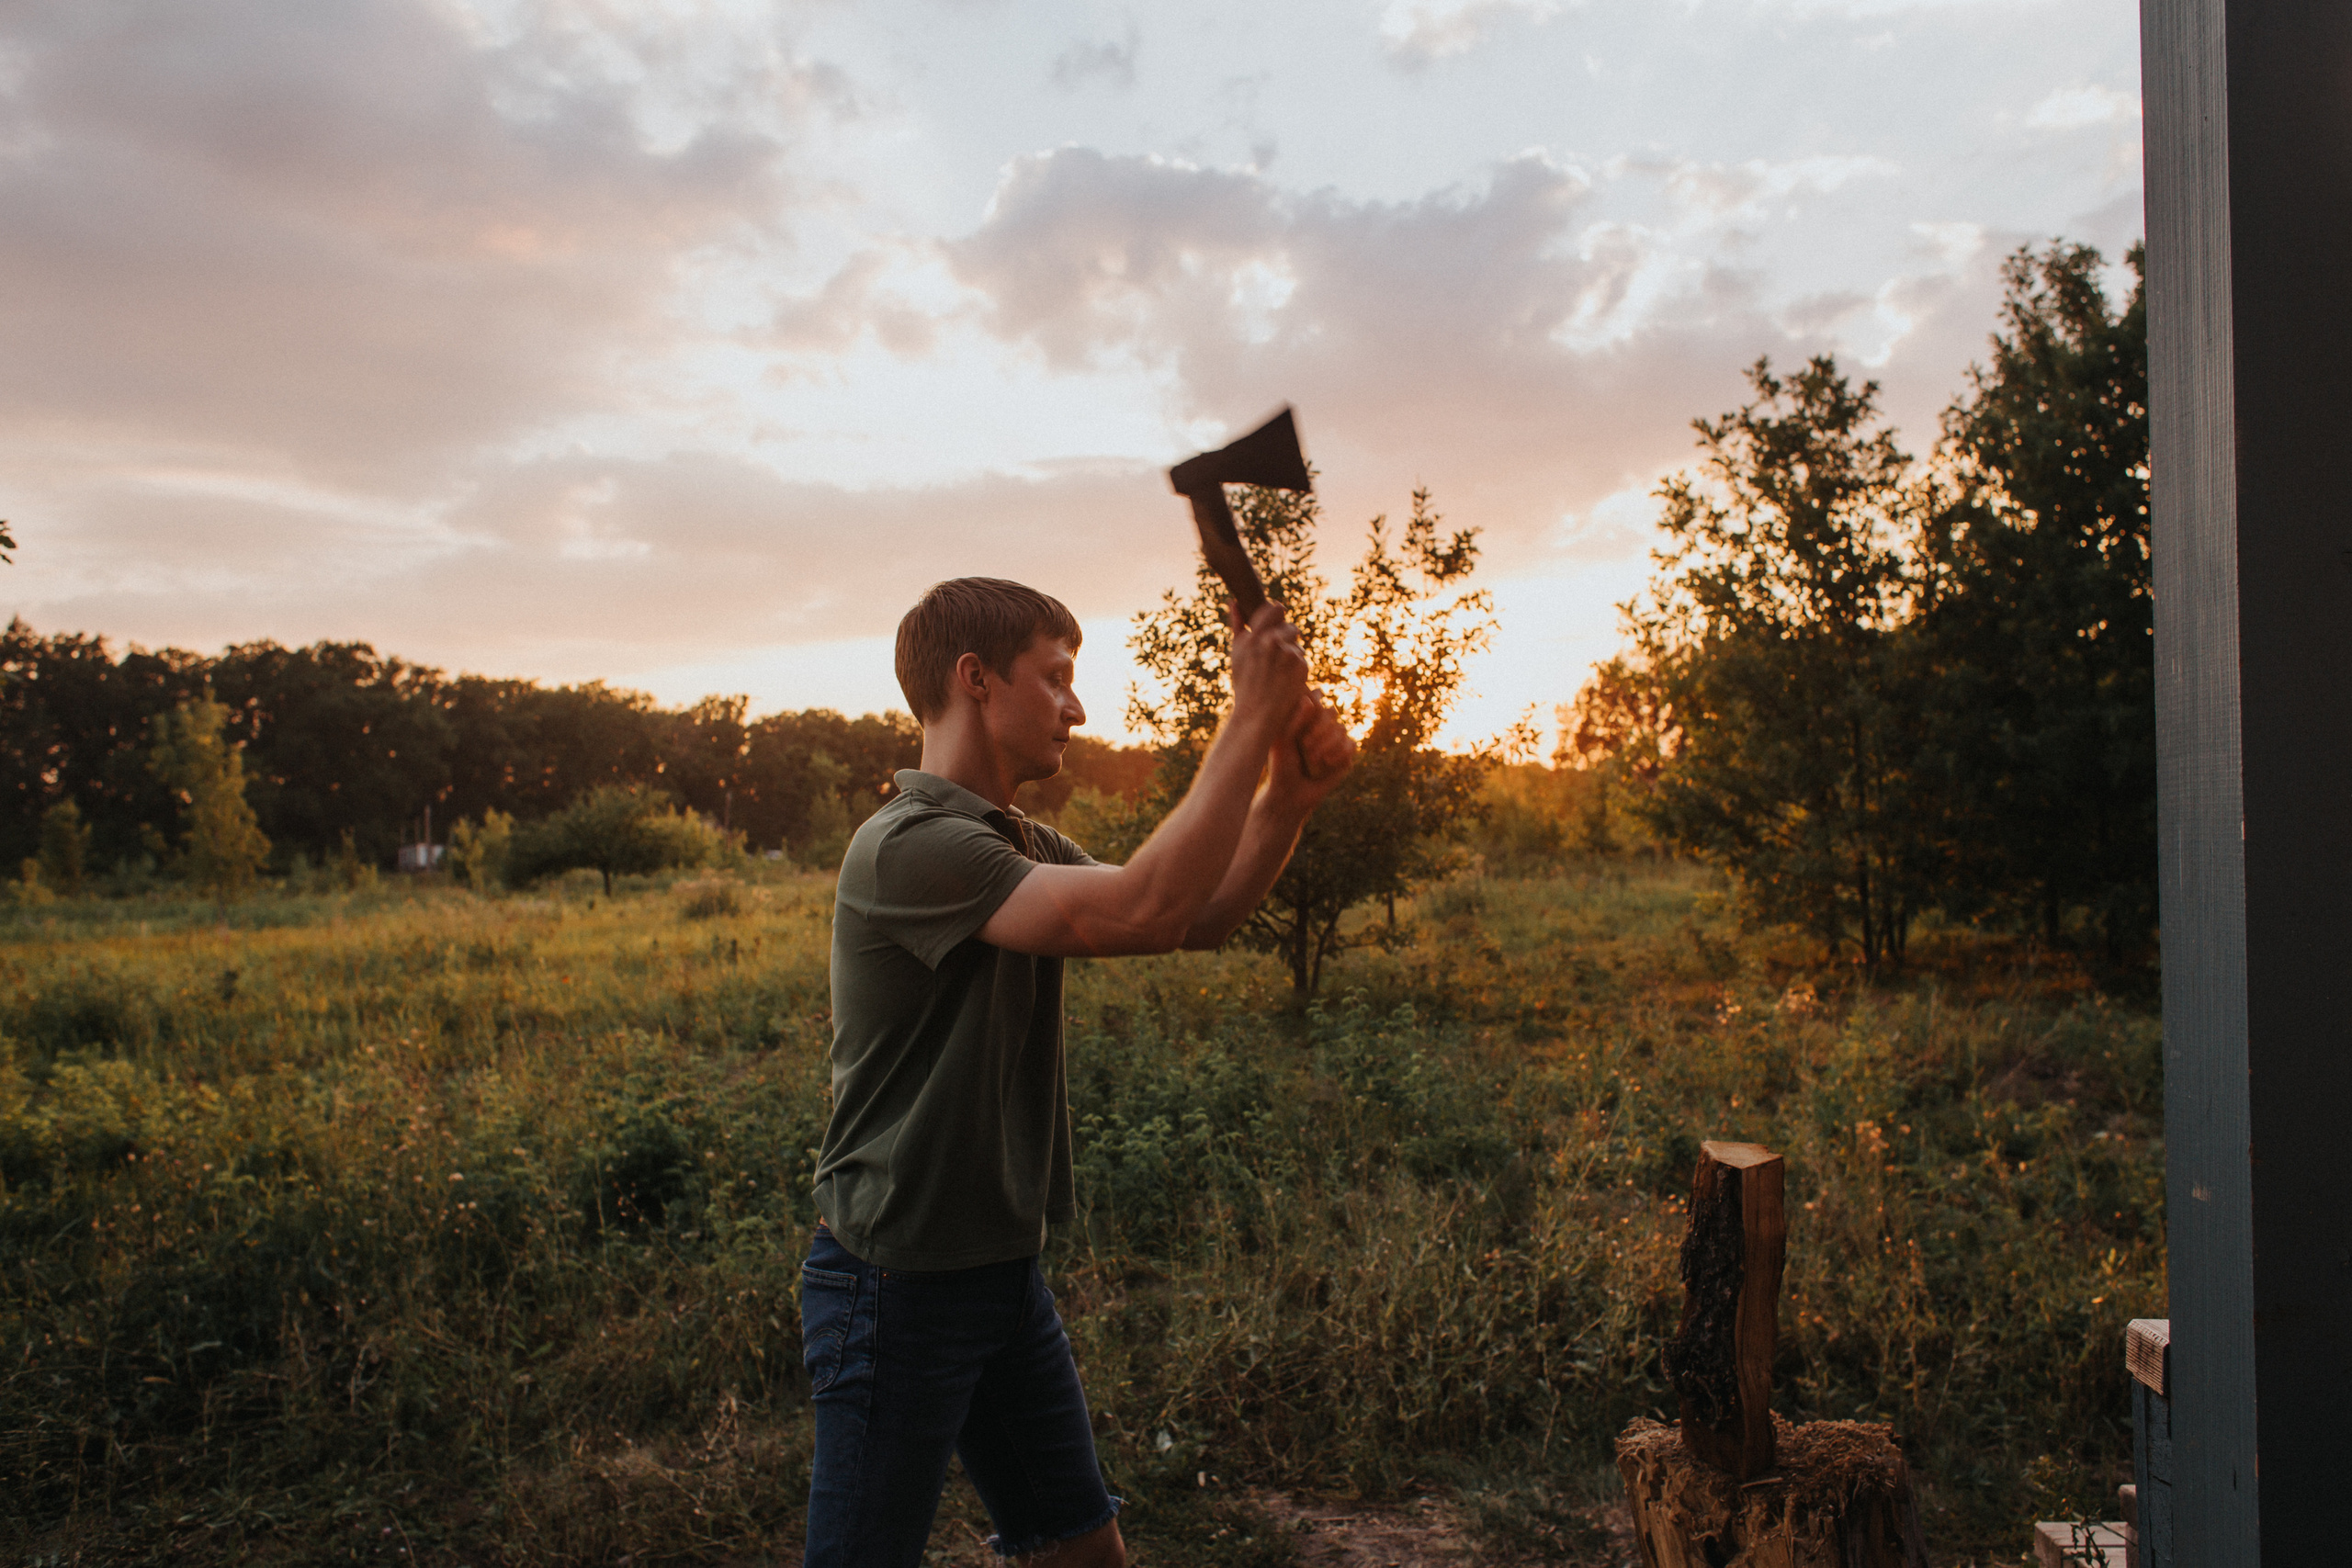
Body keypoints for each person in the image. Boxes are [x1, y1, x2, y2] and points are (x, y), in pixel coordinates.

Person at [801, 576, 1356, 1568]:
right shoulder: (910, 846)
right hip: (898, 1287)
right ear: (975, 679)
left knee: (1081, 1553)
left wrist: (1290, 796)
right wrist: (1250, 717)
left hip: (999, 1274)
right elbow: (1136, 910)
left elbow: (1188, 915)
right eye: (1056, 678)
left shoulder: (1009, 842)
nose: (1078, 706)